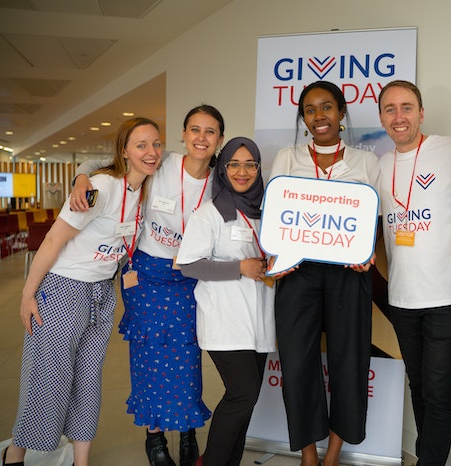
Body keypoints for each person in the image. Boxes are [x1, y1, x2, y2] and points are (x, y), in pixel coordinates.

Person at [2, 117, 162, 466]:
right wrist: (28, 294)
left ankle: (81, 461)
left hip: (102, 293)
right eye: (141, 145)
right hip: (63, 287)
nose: (151, 152)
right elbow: (53, 240)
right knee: (48, 375)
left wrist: (82, 171)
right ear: (125, 151)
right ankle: (15, 455)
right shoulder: (100, 187)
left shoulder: (145, 191)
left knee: (89, 377)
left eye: (156, 144)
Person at [71, 105, 225, 466]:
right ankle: (154, 437)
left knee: (187, 356)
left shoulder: (221, 179)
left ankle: (187, 431)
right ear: (184, 135)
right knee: (150, 357)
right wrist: (81, 177)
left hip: (189, 277)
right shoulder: (162, 162)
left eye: (211, 131)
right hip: (148, 275)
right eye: (195, 130)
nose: (202, 138)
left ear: (219, 139)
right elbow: (101, 163)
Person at [268, 80, 379, 466]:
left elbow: (375, 221)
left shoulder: (366, 162)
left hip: (349, 274)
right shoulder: (287, 157)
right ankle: (309, 454)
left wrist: (370, 256)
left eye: (327, 107)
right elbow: (276, 217)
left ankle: (333, 452)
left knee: (349, 361)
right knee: (297, 362)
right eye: (311, 109)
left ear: (341, 112)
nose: (319, 116)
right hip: (298, 272)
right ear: (303, 117)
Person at [377, 80, 451, 466]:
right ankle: (428, 457)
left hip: (449, 298)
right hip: (402, 299)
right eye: (390, 109)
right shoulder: (382, 166)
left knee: (439, 390)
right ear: (382, 118)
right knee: (418, 386)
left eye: (406, 107)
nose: (399, 116)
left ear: (421, 112)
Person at [176, 137, 274, 466]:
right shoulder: (210, 213)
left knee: (246, 399)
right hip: (225, 321)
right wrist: (240, 268)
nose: (242, 171)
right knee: (242, 395)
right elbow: (189, 264)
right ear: (223, 168)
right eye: (234, 164)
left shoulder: (267, 212)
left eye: (251, 164)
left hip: (259, 320)